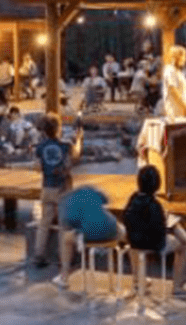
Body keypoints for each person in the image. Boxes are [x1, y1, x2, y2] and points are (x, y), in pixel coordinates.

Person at [122, 165, 186, 297]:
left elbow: (126, 217)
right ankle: (177, 287)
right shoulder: (154, 205)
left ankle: (138, 282)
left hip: (134, 241)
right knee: (182, 245)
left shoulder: (133, 198)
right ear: (157, 185)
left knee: (135, 239)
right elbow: (159, 229)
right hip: (153, 244)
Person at [33, 113, 82, 268]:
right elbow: (76, 156)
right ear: (58, 128)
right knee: (63, 225)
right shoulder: (66, 145)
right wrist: (79, 140)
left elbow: (37, 167)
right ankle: (63, 258)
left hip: (47, 187)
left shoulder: (40, 147)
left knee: (44, 223)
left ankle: (39, 255)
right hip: (63, 188)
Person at [52, 185, 123, 290]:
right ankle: (137, 276)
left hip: (90, 233)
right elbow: (106, 199)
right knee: (121, 228)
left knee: (66, 239)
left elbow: (69, 225)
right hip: (112, 229)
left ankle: (64, 277)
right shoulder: (87, 189)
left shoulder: (64, 204)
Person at [158, 45, 186, 120]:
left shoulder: (178, 72)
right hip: (174, 111)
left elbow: (182, 92)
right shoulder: (170, 70)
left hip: (180, 110)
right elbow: (174, 91)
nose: (185, 59)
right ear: (177, 57)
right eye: (183, 56)